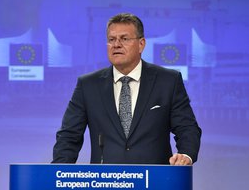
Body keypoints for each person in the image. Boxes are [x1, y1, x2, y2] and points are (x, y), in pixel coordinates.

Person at [52, 13, 201, 165]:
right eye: (111, 40)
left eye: (124, 39)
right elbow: (69, 137)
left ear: (141, 44)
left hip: (154, 181)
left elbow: (187, 128)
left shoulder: (168, 81)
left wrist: (185, 155)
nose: (116, 44)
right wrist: (56, 174)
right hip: (106, 182)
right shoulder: (88, 85)